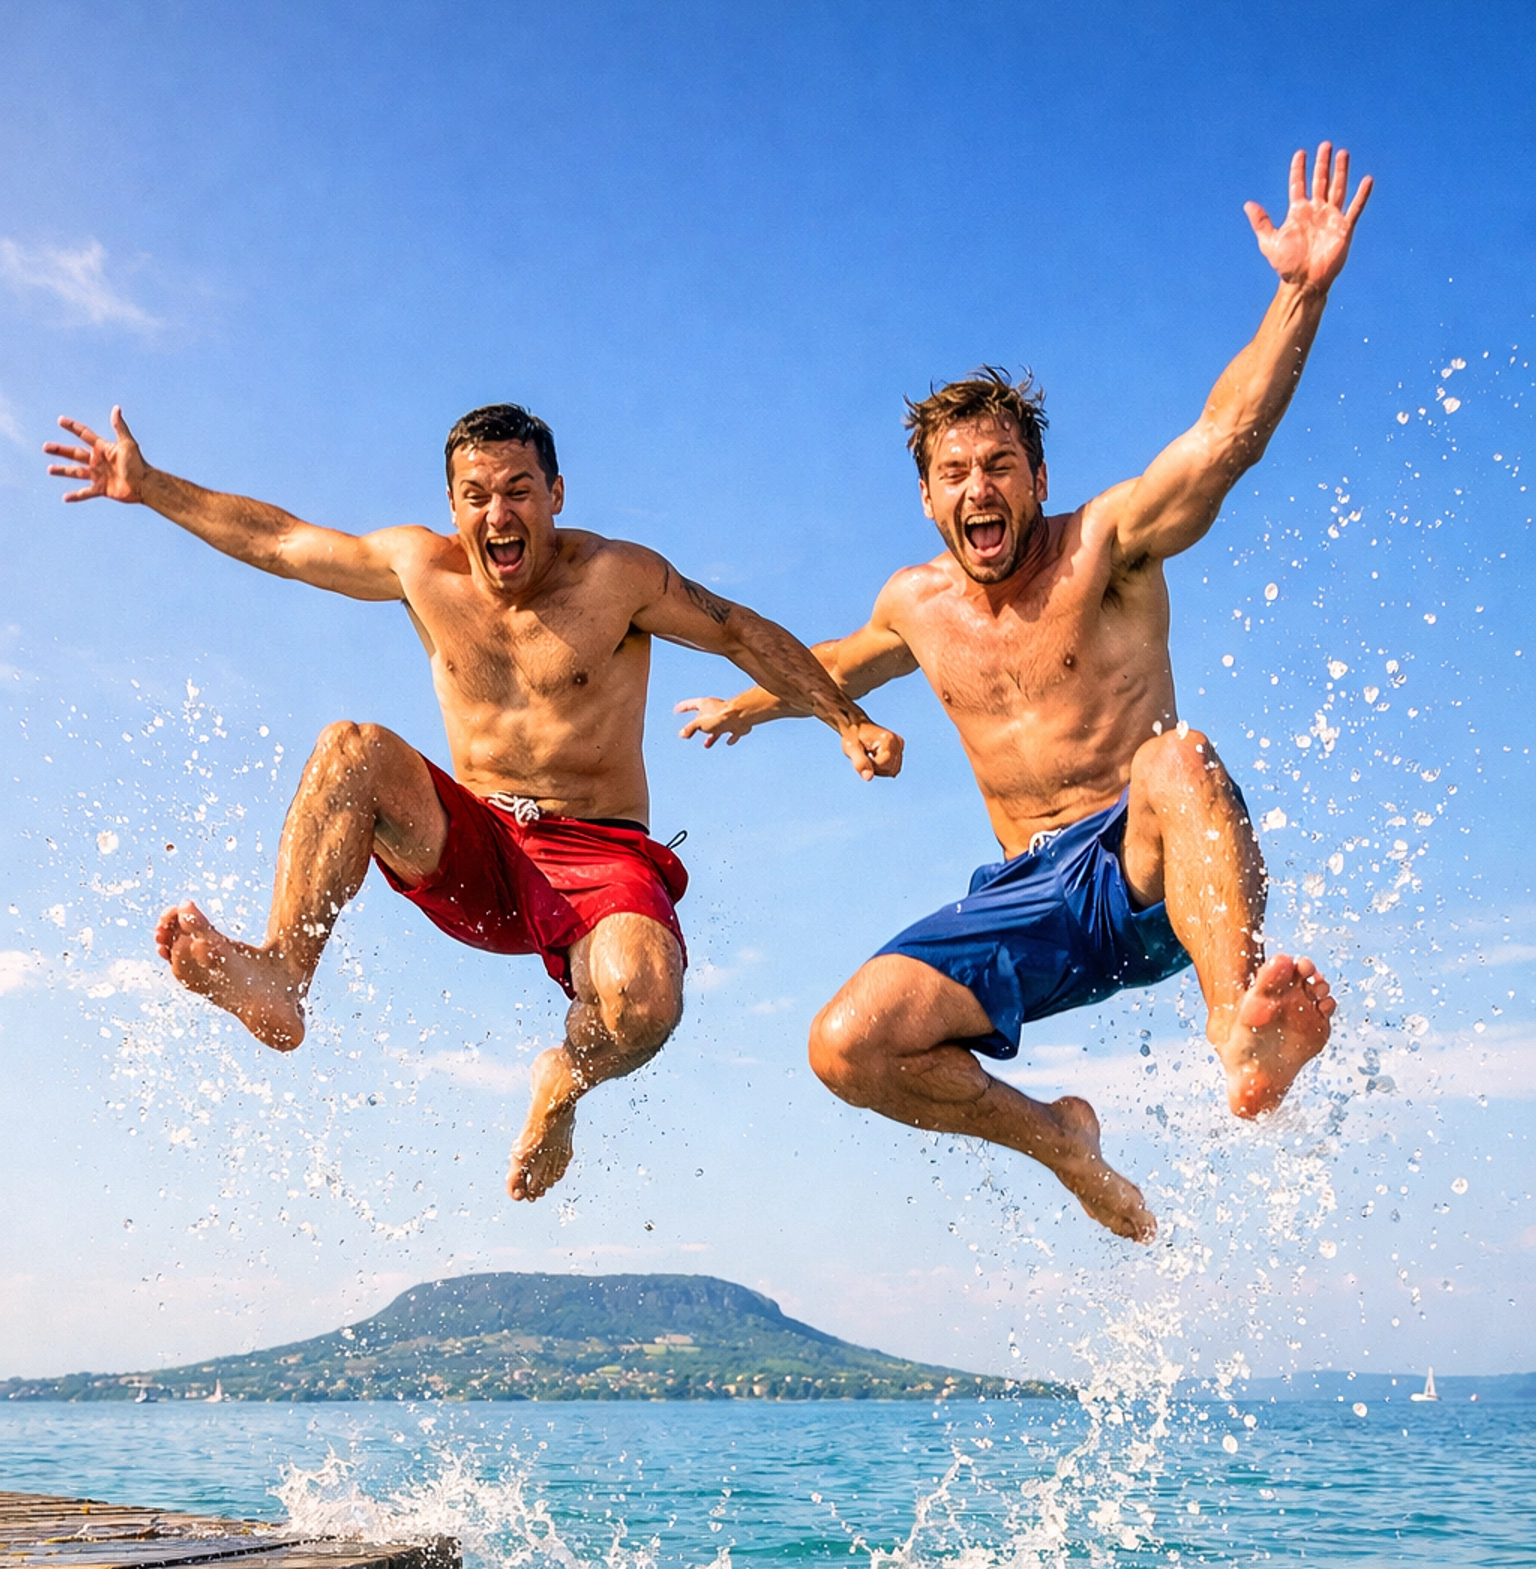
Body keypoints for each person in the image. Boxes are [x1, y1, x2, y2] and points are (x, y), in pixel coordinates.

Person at [678, 143, 1371, 1242]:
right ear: (926, 498)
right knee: (845, 1045)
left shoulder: (1107, 549)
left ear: (1037, 478)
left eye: (999, 465)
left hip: (1148, 866)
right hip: (1030, 899)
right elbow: (846, 661)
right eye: (955, 474)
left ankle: (1241, 1028)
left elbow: (1222, 441)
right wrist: (756, 707)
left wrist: (1299, 292)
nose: (979, 488)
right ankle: (1062, 1142)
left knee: (1176, 758)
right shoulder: (918, 602)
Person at [45, 402, 901, 1201]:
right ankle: (281, 973)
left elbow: (740, 629)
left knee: (646, 1001)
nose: (498, 515)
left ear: (556, 495)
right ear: (453, 506)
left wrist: (845, 718)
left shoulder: (621, 578)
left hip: (599, 858)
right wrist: (148, 484)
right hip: (475, 842)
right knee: (352, 748)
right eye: (476, 496)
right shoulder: (422, 567)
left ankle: (563, 1080)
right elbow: (282, 541)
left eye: (520, 491)